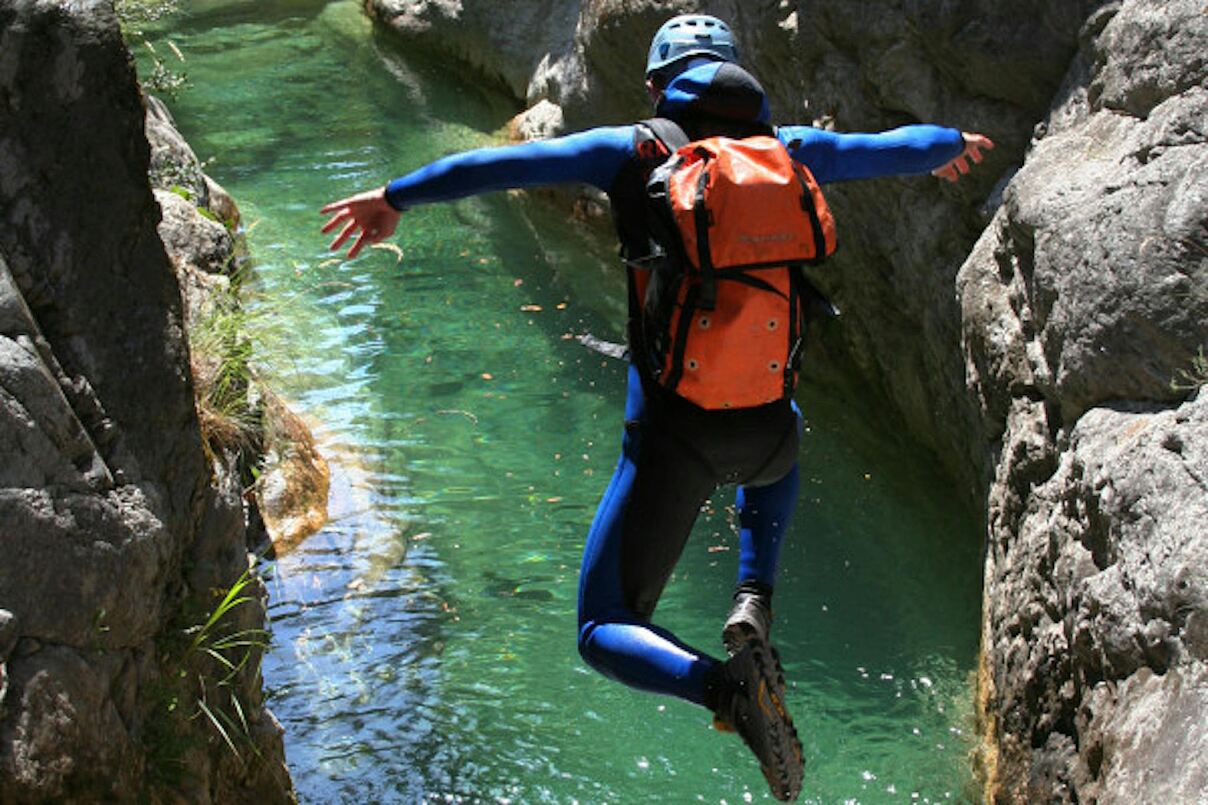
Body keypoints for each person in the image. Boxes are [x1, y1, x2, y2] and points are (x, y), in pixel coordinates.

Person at [321, 14, 992, 801]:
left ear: (654, 87)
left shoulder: (632, 152)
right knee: (785, 428)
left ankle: (724, 689)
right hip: (770, 437)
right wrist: (952, 142)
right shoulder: (788, 152)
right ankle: (754, 597)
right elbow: (891, 148)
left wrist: (395, 196)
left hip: (675, 439)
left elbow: (498, 167)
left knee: (601, 625)